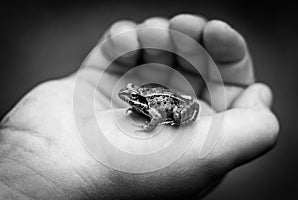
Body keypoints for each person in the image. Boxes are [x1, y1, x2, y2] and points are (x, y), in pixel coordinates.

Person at [0, 14, 279, 199]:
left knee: (179, 110)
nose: (128, 99)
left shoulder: (148, 107)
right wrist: (25, 164)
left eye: (133, 99)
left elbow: (156, 115)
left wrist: (150, 125)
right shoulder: (136, 98)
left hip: (176, 103)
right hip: (168, 93)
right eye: (131, 96)